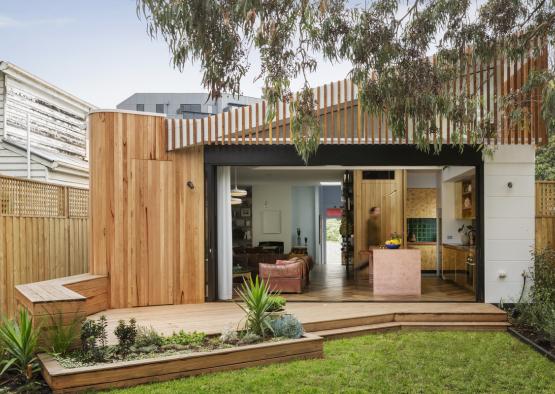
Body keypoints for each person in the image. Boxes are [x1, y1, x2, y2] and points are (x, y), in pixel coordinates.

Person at [356, 206, 381, 272]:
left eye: (379, 211)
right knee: (373, 260)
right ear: (372, 212)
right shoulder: (370, 221)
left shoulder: (373, 221)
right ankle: (359, 269)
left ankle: (359, 269)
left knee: (373, 260)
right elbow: (371, 235)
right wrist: (371, 245)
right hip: (372, 244)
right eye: (377, 211)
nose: (379, 213)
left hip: (374, 244)